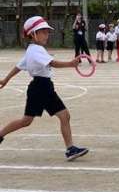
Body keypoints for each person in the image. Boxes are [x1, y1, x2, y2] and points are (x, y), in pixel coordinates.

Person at [0, 16, 88, 161]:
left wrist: (6, 79)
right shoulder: (36, 50)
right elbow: (52, 63)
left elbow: (18, 67)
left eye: (47, 32)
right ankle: (70, 149)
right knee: (31, 120)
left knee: (56, 117)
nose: (47, 35)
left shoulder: (32, 50)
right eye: (43, 32)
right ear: (32, 34)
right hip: (41, 88)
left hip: (42, 87)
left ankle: (70, 149)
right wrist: (70, 64)